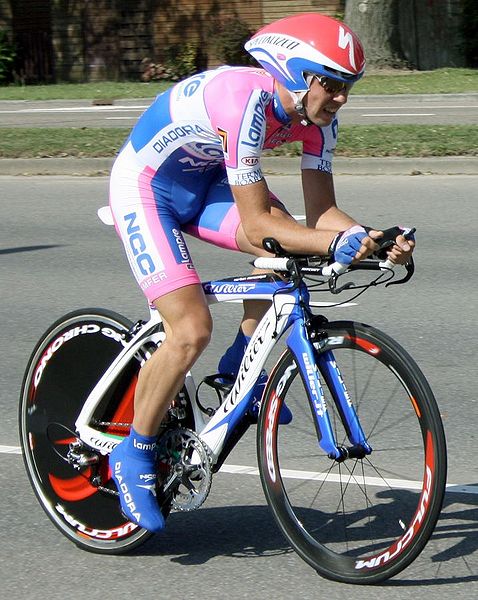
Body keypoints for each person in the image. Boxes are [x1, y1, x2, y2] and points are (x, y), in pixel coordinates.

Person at [108, 12, 414, 532]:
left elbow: (320, 216)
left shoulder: (318, 119)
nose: (341, 100)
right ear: (298, 74)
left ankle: (237, 368)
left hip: (206, 182)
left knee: (290, 253)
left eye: (348, 89)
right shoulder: (245, 101)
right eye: (334, 86)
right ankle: (132, 452)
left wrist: (372, 239)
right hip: (146, 188)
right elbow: (257, 221)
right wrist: (335, 243)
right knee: (189, 329)